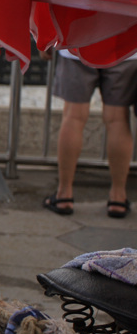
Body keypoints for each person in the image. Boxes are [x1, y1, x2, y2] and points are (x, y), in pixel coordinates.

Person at [43, 49, 137, 218]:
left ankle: (64, 194)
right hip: (125, 47)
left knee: (73, 116)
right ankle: (118, 198)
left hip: (77, 45)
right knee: (118, 119)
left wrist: (44, 41)